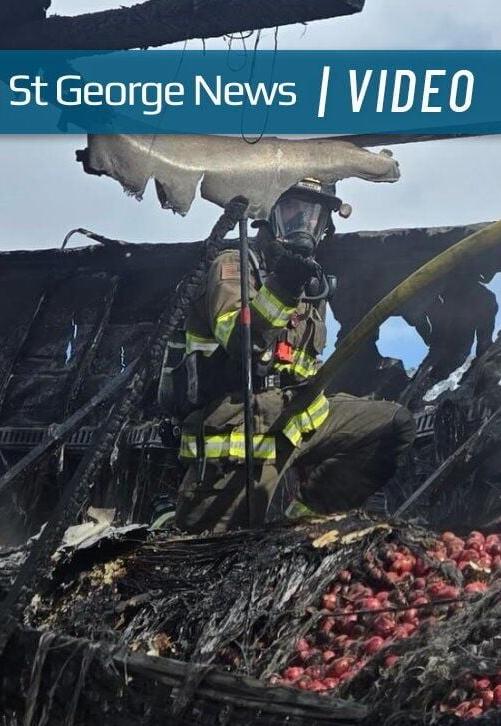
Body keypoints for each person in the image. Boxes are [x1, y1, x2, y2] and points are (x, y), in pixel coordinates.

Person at [172, 178, 415, 533]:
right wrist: (281, 288)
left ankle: (302, 525)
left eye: (313, 215)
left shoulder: (311, 284)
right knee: (216, 551)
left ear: (325, 226)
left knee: (391, 425)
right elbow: (240, 342)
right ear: (269, 215)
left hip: (295, 421)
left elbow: (304, 364)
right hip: (241, 436)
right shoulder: (235, 266)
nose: (303, 224)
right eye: (292, 211)